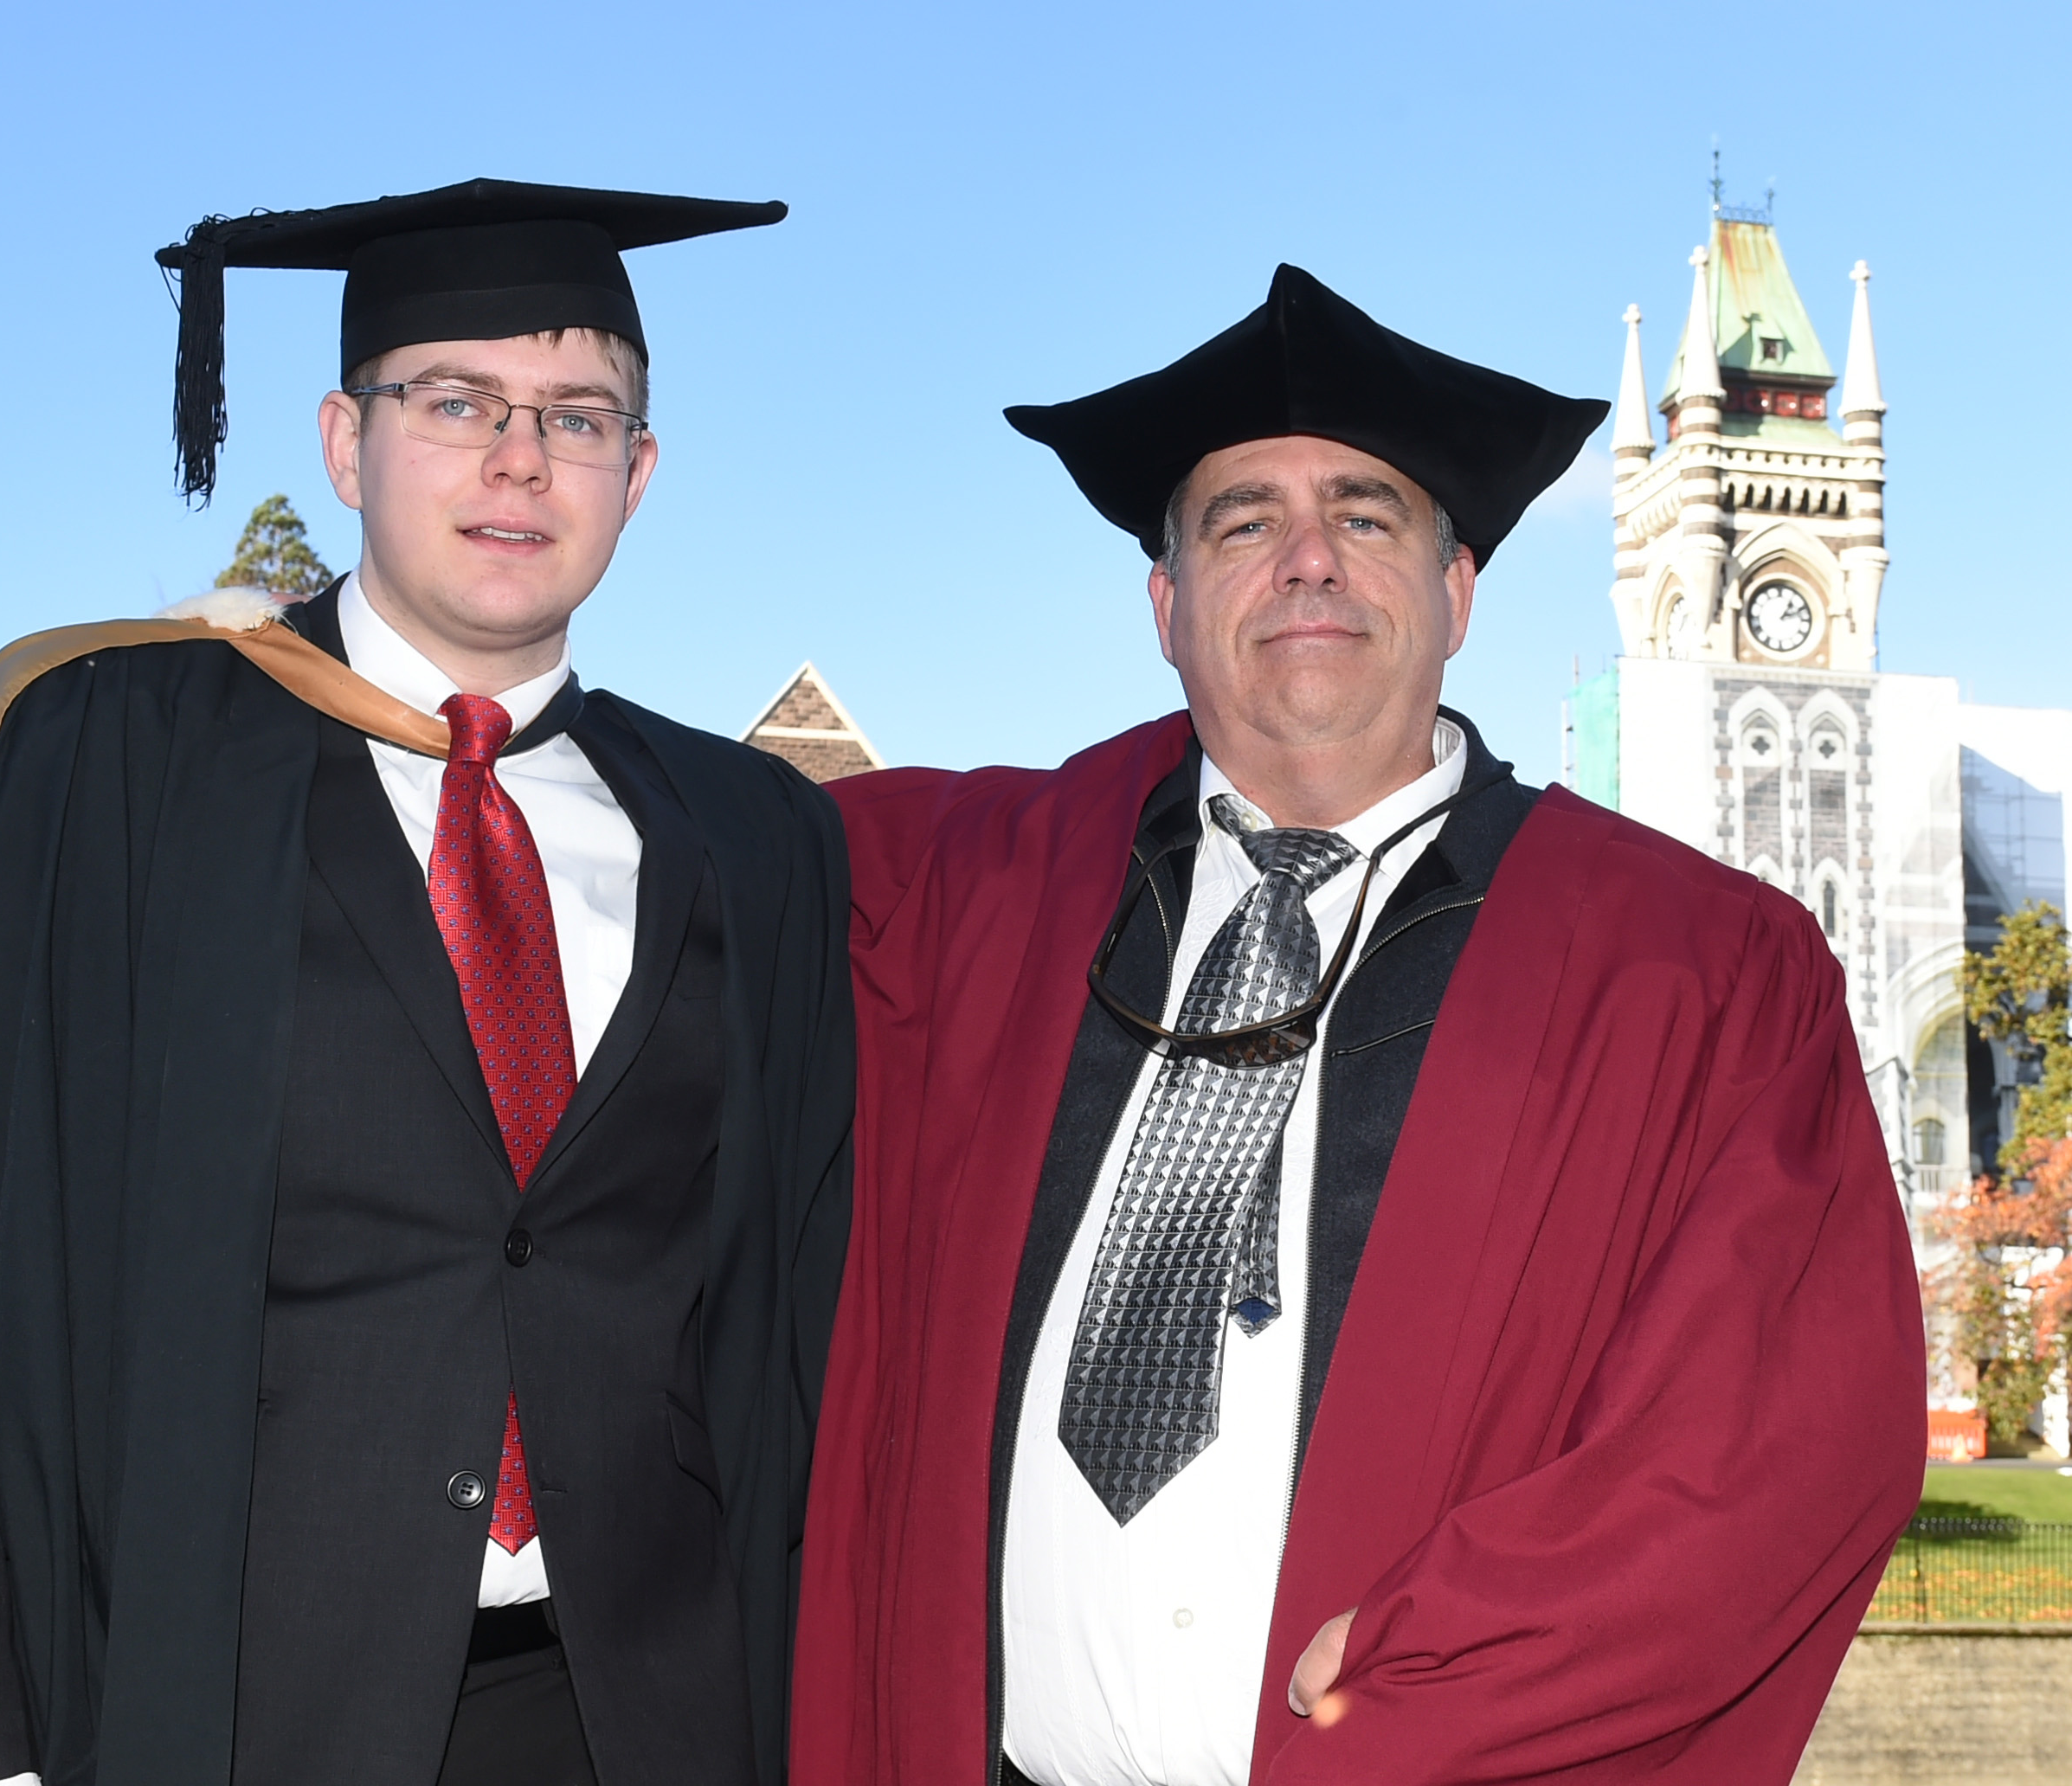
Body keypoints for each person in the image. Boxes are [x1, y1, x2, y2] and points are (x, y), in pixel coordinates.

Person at [0, 179, 853, 1786]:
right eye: (454, 401)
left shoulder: (755, 836)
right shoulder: (114, 753)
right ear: (343, 442)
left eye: (580, 416)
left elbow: (805, 1297)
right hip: (210, 1698)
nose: (519, 458)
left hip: (636, 1718)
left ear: (641, 473)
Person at [794, 265, 1923, 1785]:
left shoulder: (1700, 973)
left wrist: (1461, 1656)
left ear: (1457, 594)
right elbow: (592, 839)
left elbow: (1782, 1443)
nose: (1308, 560)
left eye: (1369, 517)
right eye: (1244, 521)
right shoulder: (949, 892)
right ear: (1168, 605)